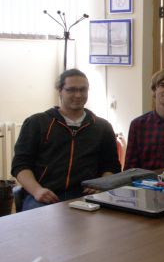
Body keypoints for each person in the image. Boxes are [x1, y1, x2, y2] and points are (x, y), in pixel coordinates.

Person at [11, 68, 121, 211]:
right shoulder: (36, 123)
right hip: (44, 195)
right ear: (60, 91)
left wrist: (101, 185)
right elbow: (20, 165)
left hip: (86, 196)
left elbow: (111, 166)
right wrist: (37, 191)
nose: (78, 95)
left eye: (83, 90)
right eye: (71, 90)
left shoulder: (102, 127)